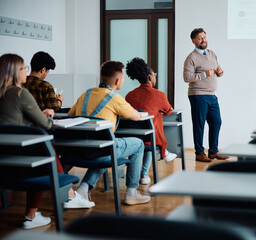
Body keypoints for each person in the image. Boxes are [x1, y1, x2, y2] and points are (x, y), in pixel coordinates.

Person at [0, 54, 94, 230]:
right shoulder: (20, 93)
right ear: (13, 72)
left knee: (42, 146)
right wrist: (48, 117)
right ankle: (33, 214)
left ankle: (70, 194)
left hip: (4, 157)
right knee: (45, 146)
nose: (25, 72)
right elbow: (46, 125)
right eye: (22, 68)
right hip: (23, 159)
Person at [68, 60, 150, 205]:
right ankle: (131, 193)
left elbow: (70, 115)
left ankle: (83, 189)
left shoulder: (86, 94)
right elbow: (136, 116)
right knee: (137, 144)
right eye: (123, 77)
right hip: (100, 150)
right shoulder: (115, 98)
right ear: (118, 80)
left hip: (79, 149)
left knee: (105, 148)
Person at [125, 57, 177, 185]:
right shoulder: (159, 95)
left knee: (147, 129)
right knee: (151, 128)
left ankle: (143, 173)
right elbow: (169, 111)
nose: (155, 77)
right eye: (154, 75)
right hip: (150, 139)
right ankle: (144, 173)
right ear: (149, 77)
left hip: (132, 137)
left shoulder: (129, 95)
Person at [183, 28, 229, 162]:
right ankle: (199, 153)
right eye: (199, 38)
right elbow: (187, 77)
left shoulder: (212, 54)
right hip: (198, 95)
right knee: (199, 124)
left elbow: (217, 70)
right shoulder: (191, 58)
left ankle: (213, 151)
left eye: (204, 37)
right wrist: (204, 74)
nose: (203, 40)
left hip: (211, 95)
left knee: (216, 121)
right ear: (193, 41)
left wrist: (220, 72)